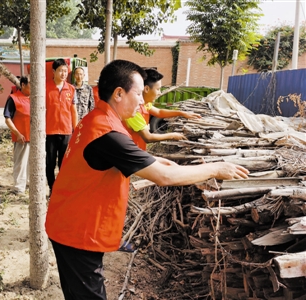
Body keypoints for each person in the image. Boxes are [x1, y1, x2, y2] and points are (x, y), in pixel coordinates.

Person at [45, 59, 249, 300]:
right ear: (119, 93)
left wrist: (185, 168)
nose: (143, 101)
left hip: (68, 222)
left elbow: (147, 161)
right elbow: (164, 177)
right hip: (76, 233)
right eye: (140, 94)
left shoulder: (99, 120)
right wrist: (216, 168)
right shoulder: (108, 135)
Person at [125, 68, 202, 150]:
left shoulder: (145, 104)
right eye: (158, 89)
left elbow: (159, 112)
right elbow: (148, 137)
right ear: (146, 89)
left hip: (137, 151)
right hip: (129, 153)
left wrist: (182, 113)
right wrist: (172, 136)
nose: (160, 93)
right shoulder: (133, 111)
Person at [45, 58, 78, 194]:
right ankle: (52, 189)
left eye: (65, 71)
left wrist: (75, 129)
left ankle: (62, 189)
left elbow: (73, 110)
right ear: (54, 72)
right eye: (60, 71)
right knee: (50, 162)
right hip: (50, 131)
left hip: (66, 131)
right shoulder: (45, 88)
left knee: (64, 163)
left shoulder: (71, 89)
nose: (64, 74)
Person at [3, 76, 31, 194]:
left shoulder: (37, 98)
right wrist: (17, 133)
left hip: (36, 137)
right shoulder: (14, 99)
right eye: (31, 83)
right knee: (21, 162)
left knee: (32, 162)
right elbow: (7, 118)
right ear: (23, 85)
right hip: (22, 137)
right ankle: (19, 187)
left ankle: (30, 183)